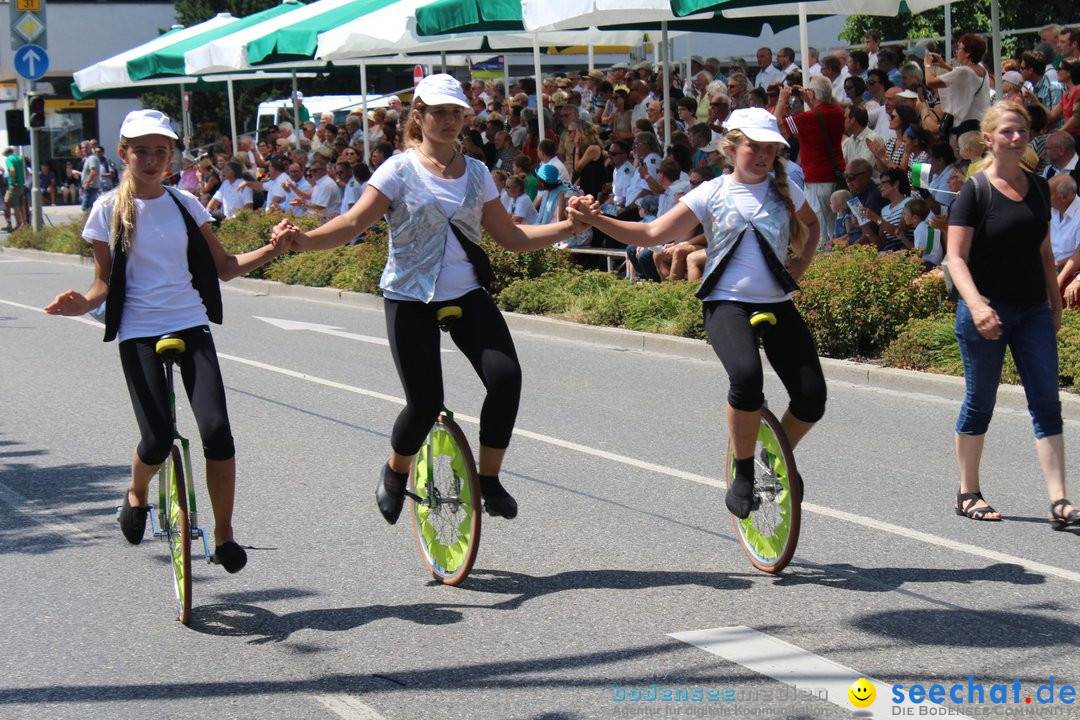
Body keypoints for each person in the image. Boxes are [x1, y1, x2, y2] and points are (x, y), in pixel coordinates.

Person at [270, 74, 590, 525]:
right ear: (418, 117)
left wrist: (568, 229)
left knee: (506, 377)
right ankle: (395, 470)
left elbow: (511, 237)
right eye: (437, 112)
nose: (447, 120)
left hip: (466, 291)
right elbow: (352, 223)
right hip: (409, 295)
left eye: (455, 113)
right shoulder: (397, 170)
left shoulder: (478, 173)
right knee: (425, 403)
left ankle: (490, 479)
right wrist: (303, 240)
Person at [43, 110, 292, 570]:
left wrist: (274, 248)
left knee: (216, 430)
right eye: (142, 151)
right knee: (157, 440)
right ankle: (136, 493)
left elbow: (224, 267)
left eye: (161, 151)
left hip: (189, 322)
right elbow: (102, 284)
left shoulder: (186, 204)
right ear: (124, 154)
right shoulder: (107, 209)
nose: (152, 159)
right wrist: (81, 303)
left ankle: (224, 537)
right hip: (137, 329)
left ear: (172, 155)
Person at [568, 108, 825, 519]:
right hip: (726, 304)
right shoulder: (711, 192)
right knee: (746, 378)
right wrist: (599, 219)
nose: (761, 156)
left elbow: (813, 226)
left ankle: (774, 459)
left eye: (769, 149)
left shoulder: (786, 190)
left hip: (777, 302)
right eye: (753, 147)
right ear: (732, 147)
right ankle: (742, 472)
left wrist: (801, 265)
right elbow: (653, 233)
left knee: (812, 398)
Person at [944, 101, 1076, 528]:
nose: (1016, 138)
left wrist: (1054, 303)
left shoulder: (1040, 187)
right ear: (989, 138)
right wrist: (978, 305)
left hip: (1032, 309)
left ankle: (1059, 501)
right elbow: (955, 259)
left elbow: (1044, 251)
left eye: (1021, 131)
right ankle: (968, 491)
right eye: (1006, 132)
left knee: (1046, 402)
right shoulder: (975, 191)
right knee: (981, 402)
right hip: (986, 311)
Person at [3, 148, 27, 229]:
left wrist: (13, 181)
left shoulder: (9, 159)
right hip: (21, 184)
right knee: (22, 205)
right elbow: (26, 172)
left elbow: (12, 170)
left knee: (15, 205)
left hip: (15, 185)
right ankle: (24, 223)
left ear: (6, 154)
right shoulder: (19, 158)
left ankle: (18, 223)